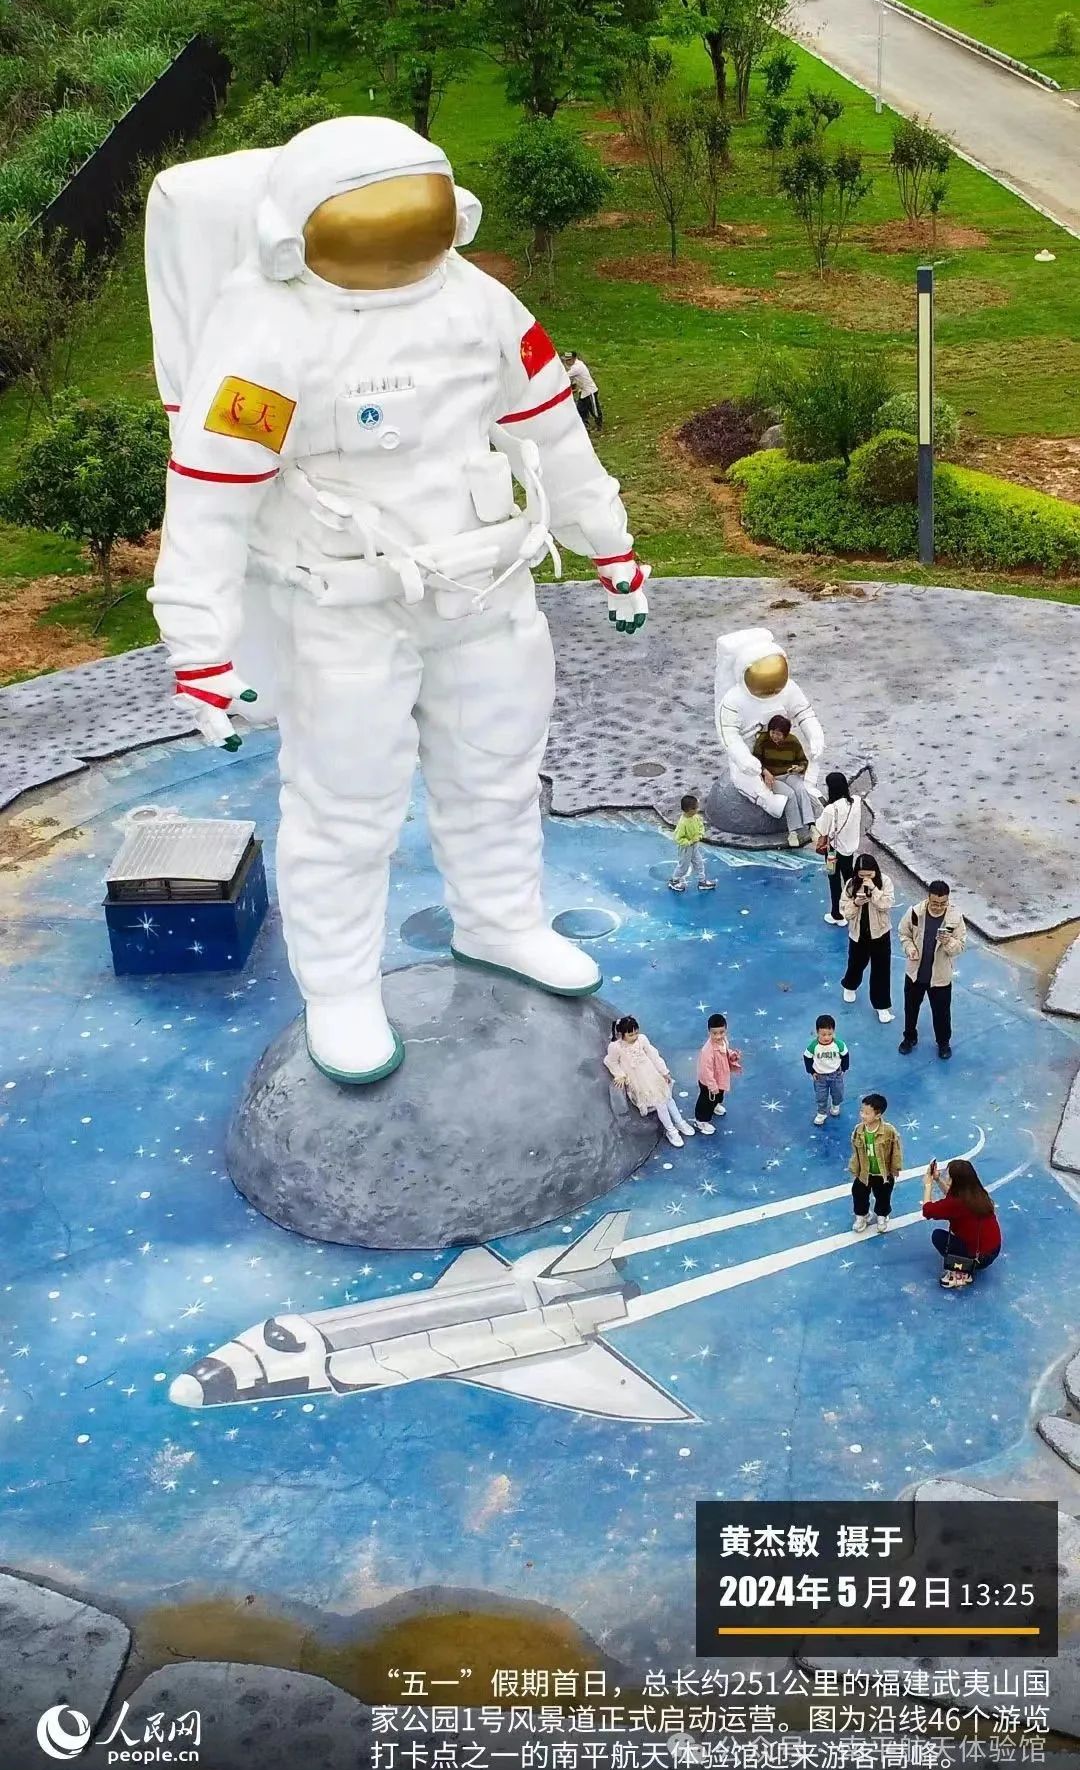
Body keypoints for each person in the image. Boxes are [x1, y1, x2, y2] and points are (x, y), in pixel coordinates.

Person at [145, 116, 652, 1084]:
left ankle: (501, 920)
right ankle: (340, 988)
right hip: (344, 605)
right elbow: (212, 492)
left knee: (499, 770)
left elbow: (549, 428)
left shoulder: (477, 303)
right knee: (345, 807)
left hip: (485, 583)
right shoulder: (268, 329)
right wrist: (198, 643)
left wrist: (608, 539)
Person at [714, 628, 824, 829]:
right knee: (745, 775)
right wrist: (743, 758)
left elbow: (804, 713)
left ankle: (808, 787)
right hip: (750, 749)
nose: (771, 689)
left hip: (782, 743)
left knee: (812, 756)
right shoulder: (734, 700)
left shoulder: (789, 688)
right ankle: (768, 801)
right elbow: (729, 734)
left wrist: (815, 736)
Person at [898, 882, 967, 1060]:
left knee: (942, 1013)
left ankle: (943, 1043)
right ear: (928, 898)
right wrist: (909, 948)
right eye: (935, 903)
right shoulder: (915, 912)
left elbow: (960, 947)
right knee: (910, 1009)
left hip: (940, 976)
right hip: (916, 973)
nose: (938, 907)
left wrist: (948, 942)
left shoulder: (955, 918)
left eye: (943, 903)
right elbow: (903, 933)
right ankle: (909, 1037)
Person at [605, 1016, 696, 1148]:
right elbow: (610, 1061)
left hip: (652, 1075)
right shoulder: (616, 1047)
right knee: (660, 1104)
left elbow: (654, 1055)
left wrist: (664, 1071)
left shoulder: (642, 1039)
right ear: (621, 1034)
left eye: (636, 1032)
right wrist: (620, 1075)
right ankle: (671, 1130)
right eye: (630, 1035)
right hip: (639, 1081)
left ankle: (679, 1121)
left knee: (668, 1098)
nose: (634, 1036)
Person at [922, 1158, 1001, 1288]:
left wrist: (928, 1185)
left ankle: (962, 1272)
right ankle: (968, 1262)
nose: (946, 1178)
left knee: (938, 1236)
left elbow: (927, 1210)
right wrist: (937, 1179)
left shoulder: (956, 1203)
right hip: (993, 1250)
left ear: (956, 1181)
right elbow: (951, 1195)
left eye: (948, 1177)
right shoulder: (977, 1193)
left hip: (979, 1258)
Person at [840, 854, 895, 1023]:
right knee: (856, 964)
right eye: (862, 875)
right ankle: (850, 985)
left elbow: (887, 904)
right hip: (858, 934)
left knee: (881, 970)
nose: (865, 878)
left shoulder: (885, 881)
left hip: (880, 933)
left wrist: (874, 891)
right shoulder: (851, 884)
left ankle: (881, 1006)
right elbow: (845, 911)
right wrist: (856, 903)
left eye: (869, 875)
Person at [751, 715, 819, 849]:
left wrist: (799, 768)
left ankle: (811, 825)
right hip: (773, 777)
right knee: (789, 794)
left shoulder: (793, 741)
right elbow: (755, 761)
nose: (775, 736)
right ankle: (793, 832)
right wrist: (765, 772)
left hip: (789, 774)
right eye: (773, 732)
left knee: (800, 789)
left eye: (779, 734)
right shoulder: (763, 740)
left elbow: (803, 761)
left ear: (785, 734)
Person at [814, 772, 863, 926]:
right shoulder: (856, 801)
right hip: (850, 849)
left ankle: (837, 913)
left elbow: (822, 829)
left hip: (833, 852)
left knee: (834, 880)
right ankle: (852, 908)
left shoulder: (830, 809)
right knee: (849, 878)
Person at [849, 1093, 903, 1233]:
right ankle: (862, 1216)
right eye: (862, 1111)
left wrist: (895, 1168)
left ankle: (881, 1216)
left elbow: (896, 1150)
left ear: (878, 1115)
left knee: (883, 1196)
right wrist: (855, 1168)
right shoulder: (859, 1130)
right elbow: (856, 1151)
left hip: (882, 1173)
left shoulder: (889, 1131)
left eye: (867, 1113)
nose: (862, 1115)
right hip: (865, 1172)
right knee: (858, 1193)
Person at [695, 1013, 742, 1133]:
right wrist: (712, 1086)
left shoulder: (724, 1041)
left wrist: (732, 1055)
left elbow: (725, 1051)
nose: (718, 1036)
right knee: (706, 1101)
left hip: (720, 1078)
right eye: (714, 1033)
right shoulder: (707, 1051)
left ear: (726, 1030)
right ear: (709, 1032)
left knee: (719, 1095)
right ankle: (701, 1120)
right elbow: (706, 1071)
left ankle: (715, 1105)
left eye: (721, 1032)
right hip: (709, 1083)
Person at [803, 1013, 850, 1128]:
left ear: (834, 1032)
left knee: (838, 1093)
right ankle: (821, 1113)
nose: (826, 1037)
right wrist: (812, 1071)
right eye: (823, 1034)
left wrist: (844, 1068)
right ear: (817, 1032)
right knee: (821, 1096)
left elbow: (845, 1055)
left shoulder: (838, 1044)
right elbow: (807, 1057)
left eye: (830, 1034)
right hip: (820, 1077)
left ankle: (835, 1105)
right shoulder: (814, 1046)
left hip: (836, 1075)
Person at [669, 793, 716, 892]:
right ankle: (674, 880)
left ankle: (702, 881)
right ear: (689, 810)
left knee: (699, 863)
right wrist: (689, 842)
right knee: (683, 866)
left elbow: (701, 826)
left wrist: (700, 835)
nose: (697, 810)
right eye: (695, 808)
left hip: (694, 846)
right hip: (686, 849)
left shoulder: (696, 817)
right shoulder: (683, 823)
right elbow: (678, 838)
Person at [564, 351, 602, 431]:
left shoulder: (576, 367)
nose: (567, 362)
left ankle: (599, 425)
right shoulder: (576, 365)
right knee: (581, 410)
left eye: (569, 360)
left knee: (594, 410)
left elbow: (565, 377)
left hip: (590, 391)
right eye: (566, 360)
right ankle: (585, 425)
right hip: (583, 392)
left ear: (574, 358)